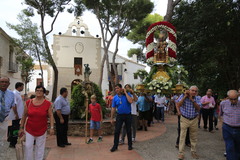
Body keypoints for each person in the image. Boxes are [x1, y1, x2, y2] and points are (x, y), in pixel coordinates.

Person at [19, 85, 54, 160]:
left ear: (43, 93)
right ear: (35, 91)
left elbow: (51, 116)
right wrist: (21, 128)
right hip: (29, 128)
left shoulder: (48, 104)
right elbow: (24, 115)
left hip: (42, 129)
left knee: (40, 148)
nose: (39, 92)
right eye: (37, 90)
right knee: (28, 146)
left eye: (41, 91)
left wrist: (51, 127)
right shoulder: (28, 103)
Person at [176, 86, 201, 160]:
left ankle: (193, 152)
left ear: (197, 92)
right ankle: (181, 153)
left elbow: (199, 108)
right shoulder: (183, 96)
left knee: (193, 137)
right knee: (182, 136)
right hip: (184, 119)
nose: (194, 92)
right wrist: (184, 97)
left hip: (194, 119)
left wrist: (191, 99)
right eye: (192, 90)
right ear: (189, 90)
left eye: (195, 91)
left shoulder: (198, 98)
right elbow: (178, 104)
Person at [110, 84, 133, 152]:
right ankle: (115, 146)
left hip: (128, 115)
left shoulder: (127, 94)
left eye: (117, 88)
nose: (116, 90)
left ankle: (130, 145)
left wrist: (125, 92)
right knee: (117, 131)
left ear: (121, 88)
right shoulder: (115, 98)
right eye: (115, 89)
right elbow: (113, 108)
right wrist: (111, 118)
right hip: (119, 115)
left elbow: (131, 101)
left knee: (128, 130)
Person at [220, 90, 240, 160]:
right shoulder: (223, 103)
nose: (234, 101)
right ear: (228, 97)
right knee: (229, 147)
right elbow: (221, 114)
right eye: (231, 99)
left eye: (235, 99)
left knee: (238, 148)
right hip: (227, 128)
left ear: (238, 97)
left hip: (238, 129)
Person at [8, 82, 24, 148]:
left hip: (18, 115)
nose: (23, 88)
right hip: (16, 115)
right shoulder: (14, 93)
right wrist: (16, 114)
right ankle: (12, 143)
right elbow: (14, 105)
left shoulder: (18, 93)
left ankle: (12, 140)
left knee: (15, 127)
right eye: (22, 86)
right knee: (14, 128)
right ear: (19, 86)